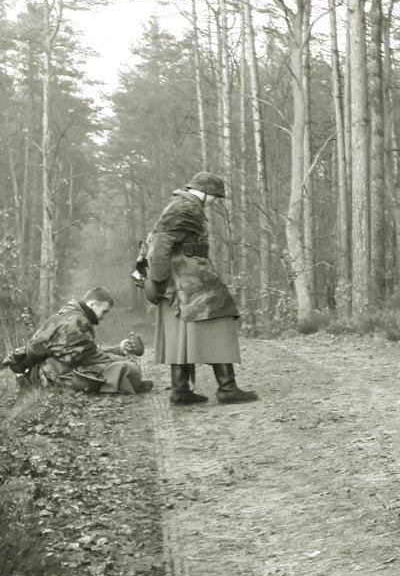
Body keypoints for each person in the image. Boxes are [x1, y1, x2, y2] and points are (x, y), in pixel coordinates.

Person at [144, 171, 260, 405]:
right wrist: (159, 279)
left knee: (182, 331)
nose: (215, 201)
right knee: (219, 319)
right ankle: (227, 389)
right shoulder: (185, 208)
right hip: (187, 276)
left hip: (184, 275)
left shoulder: (182, 205)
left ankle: (180, 390)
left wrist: (163, 281)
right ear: (205, 192)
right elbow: (158, 245)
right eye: (215, 196)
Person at [2, 288, 151, 394]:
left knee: (117, 368)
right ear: (93, 304)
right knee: (127, 368)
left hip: (47, 369)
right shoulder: (75, 323)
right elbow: (88, 358)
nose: (104, 316)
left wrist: (118, 349)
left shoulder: (70, 315)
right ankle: (126, 381)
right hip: (46, 375)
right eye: (104, 311)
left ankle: (125, 381)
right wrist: (123, 359)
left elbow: (87, 350)